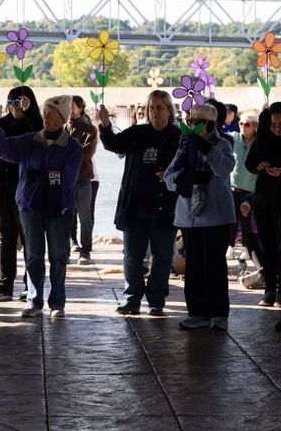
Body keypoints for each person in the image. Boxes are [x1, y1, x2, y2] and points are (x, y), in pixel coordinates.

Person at [0, 95, 83, 319]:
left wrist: (38, 176)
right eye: (45, 112)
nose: (45, 116)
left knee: (59, 256)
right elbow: (2, 149)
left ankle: (57, 302)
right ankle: (34, 300)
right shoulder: (29, 140)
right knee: (33, 255)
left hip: (60, 209)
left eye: (51, 113)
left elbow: (67, 179)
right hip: (30, 208)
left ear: (62, 118)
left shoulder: (73, 147)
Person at [98, 91, 181, 316]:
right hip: (134, 206)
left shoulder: (178, 136)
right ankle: (132, 298)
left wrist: (168, 172)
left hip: (165, 209)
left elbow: (183, 165)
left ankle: (156, 299)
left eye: (160, 108)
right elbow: (114, 144)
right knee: (132, 256)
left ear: (169, 111)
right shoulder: (138, 132)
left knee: (162, 257)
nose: (155, 112)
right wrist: (105, 125)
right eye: (152, 107)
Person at [164, 102, 236, 330]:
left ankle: (218, 315)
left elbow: (225, 168)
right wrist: (185, 180)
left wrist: (205, 148)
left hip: (216, 215)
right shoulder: (184, 146)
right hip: (189, 216)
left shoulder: (223, 144)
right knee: (193, 266)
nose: (193, 126)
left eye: (198, 122)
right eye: (190, 121)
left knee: (214, 265)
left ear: (212, 124)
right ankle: (197, 313)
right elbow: (168, 177)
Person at [0, 85, 43, 302]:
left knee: (29, 238)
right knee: (5, 238)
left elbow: (42, 141)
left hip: (27, 190)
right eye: (12, 102)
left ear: (30, 103)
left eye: (21, 102)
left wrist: (27, 116)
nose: (15, 107)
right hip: (1, 188)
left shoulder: (36, 123)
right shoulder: (2, 124)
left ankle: (31, 286)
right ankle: (3, 286)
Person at [245, 101, 281, 308]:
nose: (277, 129)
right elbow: (249, 163)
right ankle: (270, 289)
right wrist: (259, 166)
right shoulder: (263, 138)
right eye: (273, 125)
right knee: (268, 245)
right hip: (264, 200)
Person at [231, 110, 263, 288]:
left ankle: (263, 269)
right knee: (227, 231)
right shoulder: (233, 139)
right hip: (232, 190)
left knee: (249, 233)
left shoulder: (259, 144)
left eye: (248, 124)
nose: (243, 127)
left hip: (250, 193)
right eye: (241, 123)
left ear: (256, 127)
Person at [67, 95, 99, 265]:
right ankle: (66, 251)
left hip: (83, 179)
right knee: (65, 215)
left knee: (85, 217)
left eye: (72, 106)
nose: (70, 110)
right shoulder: (62, 129)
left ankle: (85, 251)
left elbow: (87, 154)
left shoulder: (90, 130)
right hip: (65, 181)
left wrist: (67, 154)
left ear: (80, 108)